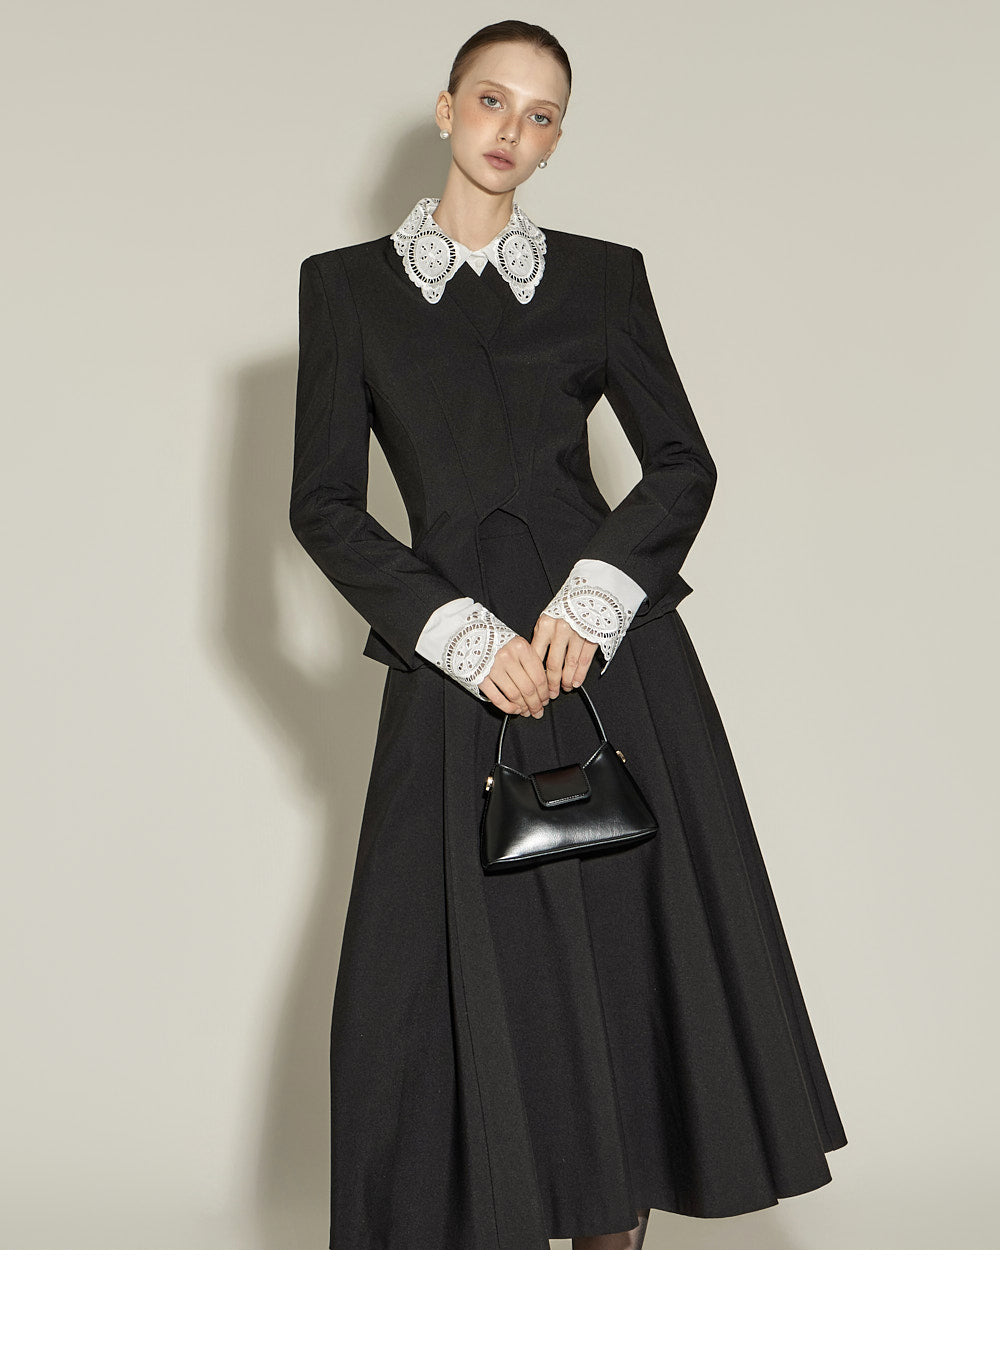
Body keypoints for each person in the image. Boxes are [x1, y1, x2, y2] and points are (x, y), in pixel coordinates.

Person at [289, 19, 847, 1251]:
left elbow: (680, 462)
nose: (512, 131)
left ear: (555, 140)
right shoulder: (346, 288)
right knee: (440, 983)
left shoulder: (601, 278)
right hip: (456, 664)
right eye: (492, 101)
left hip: (607, 659)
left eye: (540, 115)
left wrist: (592, 605)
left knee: (625, 963)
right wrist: (457, 634)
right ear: (446, 111)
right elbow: (322, 504)